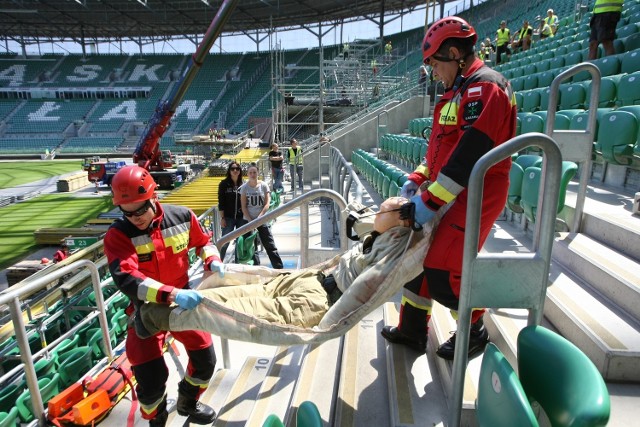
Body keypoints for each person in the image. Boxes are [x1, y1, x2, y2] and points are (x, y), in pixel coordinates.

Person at [380, 16, 516, 360]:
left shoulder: (486, 87)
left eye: (435, 64)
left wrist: (427, 203)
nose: (433, 72)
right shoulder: (456, 90)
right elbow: (440, 153)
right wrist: (417, 177)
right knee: (418, 260)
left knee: (443, 269)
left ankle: (475, 331)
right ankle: (412, 329)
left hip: (476, 193)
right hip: (450, 188)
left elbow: (469, 156)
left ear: (455, 53)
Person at [139, 197, 414, 334]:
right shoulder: (383, 233)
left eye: (382, 210)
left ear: (401, 220)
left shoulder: (395, 244)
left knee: (241, 312)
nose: (375, 212)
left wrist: (328, 326)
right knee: (237, 294)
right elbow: (362, 222)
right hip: (312, 279)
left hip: (319, 300)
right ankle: (163, 308)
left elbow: (363, 290)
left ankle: (155, 317)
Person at [103, 165, 225, 427]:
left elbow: (203, 242)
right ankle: (156, 418)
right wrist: (172, 294)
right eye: (127, 211)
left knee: (205, 360)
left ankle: (188, 402)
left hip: (182, 302)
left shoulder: (182, 216)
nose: (135, 217)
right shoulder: (118, 235)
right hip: (146, 311)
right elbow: (128, 279)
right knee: (150, 377)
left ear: (153, 197)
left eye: (140, 208)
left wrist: (212, 259)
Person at [240, 164, 284, 269]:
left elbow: (267, 203)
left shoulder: (263, 185)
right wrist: (251, 221)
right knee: (252, 247)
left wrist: (260, 218)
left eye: (254, 172)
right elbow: (244, 207)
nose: (252, 174)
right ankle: (257, 268)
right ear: (247, 174)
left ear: (258, 173)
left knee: (270, 244)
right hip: (249, 221)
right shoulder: (244, 188)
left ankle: (278, 267)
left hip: (262, 219)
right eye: (250, 172)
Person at [218, 161, 247, 262]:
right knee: (224, 241)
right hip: (228, 217)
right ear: (229, 171)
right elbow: (221, 202)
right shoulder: (224, 184)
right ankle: (219, 261)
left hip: (241, 217)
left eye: (237, 169)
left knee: (240, 241)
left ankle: (237, 262)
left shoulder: (244, 184)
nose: (235, 171)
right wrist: (222, 218)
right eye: (232, 169)